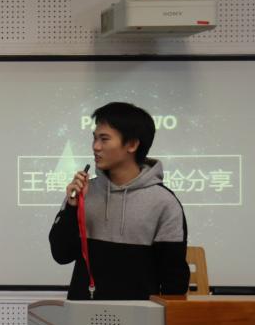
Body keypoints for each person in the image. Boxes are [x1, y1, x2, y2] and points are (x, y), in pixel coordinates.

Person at [49, 101, 190, 300]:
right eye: (94, 138)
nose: (96, 147)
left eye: (104, 139)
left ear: (132, 144)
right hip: (83, 311)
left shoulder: (164, 203)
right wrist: (72, 208)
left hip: (140, 314)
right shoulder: (82, 192)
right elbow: (61, 255)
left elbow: (174, 280)